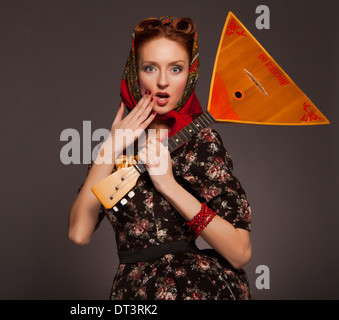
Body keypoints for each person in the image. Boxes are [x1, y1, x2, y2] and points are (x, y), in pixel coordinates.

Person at [68, 16, 253, 300]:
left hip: (194, 289)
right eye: (150, 68)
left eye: (176, 69)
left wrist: (168, 184)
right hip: (132, 292)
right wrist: (110, 148)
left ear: (190, 75)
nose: (163, 81)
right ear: (134, 72)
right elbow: (79, 233)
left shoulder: (201, 141)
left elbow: (240, 252)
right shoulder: (116, 148)